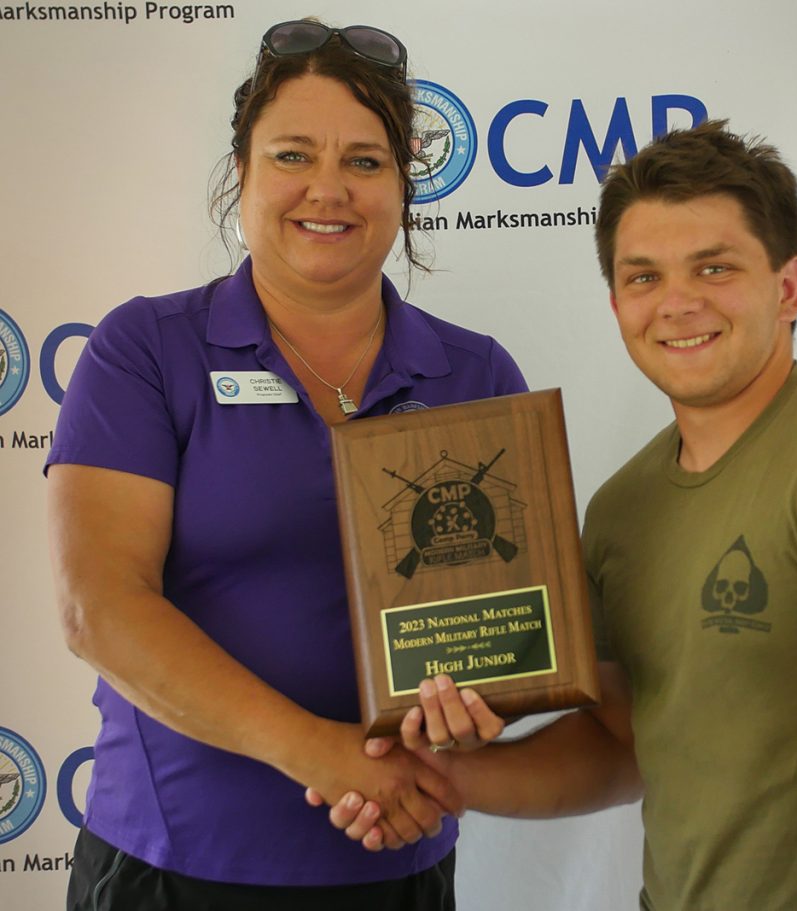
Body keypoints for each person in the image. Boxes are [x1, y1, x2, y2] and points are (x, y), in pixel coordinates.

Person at [328, 121, 797, 911]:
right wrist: (447, 778)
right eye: (644, 278)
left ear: (788, 287)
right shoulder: (622, 509)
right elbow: (619, 747)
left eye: (714, 268)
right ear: (616, 303)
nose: (677, 303)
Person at [45, 18, 526, 911]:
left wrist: (470, 715)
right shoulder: (147, 350)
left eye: (366, 161)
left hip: (397, 861)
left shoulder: (476, 375)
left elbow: (495, 630)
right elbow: (98, 607)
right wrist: (325, 754)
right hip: (171, 867)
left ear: (403, 185)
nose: (329, 189)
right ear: (244, 173)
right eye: (294, 154)